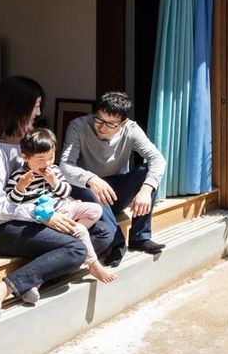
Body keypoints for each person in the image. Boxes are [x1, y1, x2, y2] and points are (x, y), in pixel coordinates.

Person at [0, 76, 121, 326]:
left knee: (104, 232)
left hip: (35, 213)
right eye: (35, 106)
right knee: (77, 248)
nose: (39, 112)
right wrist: (44, 216)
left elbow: (51, 176)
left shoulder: (28, 140)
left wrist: (60, 204)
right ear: (16, 108)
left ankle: (36, 277)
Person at [59, 91, 167, 256]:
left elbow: (157, 159)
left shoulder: (130, 129)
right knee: (91, 189)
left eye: (111, 124)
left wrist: (146, 189)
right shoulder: (78, 126)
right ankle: (116, 243)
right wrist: (91, 179)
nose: (102, 127)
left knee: (148, 173)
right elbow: (65, 166)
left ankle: (140, 237)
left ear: (123, 123)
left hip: (115, 191)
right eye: (99, 120)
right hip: (87, 190)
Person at [8, 127, 114, 286]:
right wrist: (21, 187)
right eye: (41, 160)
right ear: (25, 157)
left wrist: (54, 182)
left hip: (66, 207)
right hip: (48, 216)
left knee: (96, 209)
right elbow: (12, 201)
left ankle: (70, 234)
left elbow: (66, 191)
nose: (47, 163)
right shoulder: (19, 176)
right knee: (81, 230)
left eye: (51, 157)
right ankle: (93, 264)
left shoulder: (54, 170)